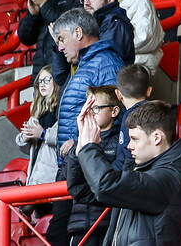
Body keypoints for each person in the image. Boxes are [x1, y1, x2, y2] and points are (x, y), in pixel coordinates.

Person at [66, 100, 181, 246]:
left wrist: (89, 147)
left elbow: (105, 186)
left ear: (157, 137)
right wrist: (79, 149)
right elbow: (82, 191)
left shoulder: (171, 178)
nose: (129, 146)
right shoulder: (141, 171)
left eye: (135, 139)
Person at [46, 8, 123, 246]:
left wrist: (81, 141)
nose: (59, 47)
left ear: (78, 33)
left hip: (90, 166)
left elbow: (113, 113)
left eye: (62, 39)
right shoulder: (86, 63)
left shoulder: (105, 62)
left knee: (61, 234)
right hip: (76, 165)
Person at [67, 85, 121, 246]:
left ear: (114, 111)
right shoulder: (80, 143)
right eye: (89, 108)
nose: (91, 113)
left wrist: (91, 148)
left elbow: (108, 185)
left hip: (107, 222)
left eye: (96, 108)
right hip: (79, 223)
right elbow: (74, 187)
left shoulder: (121, 141)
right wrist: (80, 147)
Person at [99, 0, 164, 75]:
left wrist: (107, 46)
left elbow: (144, 37)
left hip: (134, 70)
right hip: (112, 65)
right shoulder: (100, 2)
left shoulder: (140, 0)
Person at [16, 66, 61, 192]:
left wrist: (43, 134)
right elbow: (27, 149)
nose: (42, 84)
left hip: (52, 176)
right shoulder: (37, 113)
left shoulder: (61, 109)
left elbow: (66, 138)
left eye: (46, 80)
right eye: (40, 81)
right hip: (35, 176)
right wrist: (25, 137)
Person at [113, 64, 152, 171]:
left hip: (129, 176)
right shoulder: (155, 113)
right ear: (149, 91)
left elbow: (127, 157)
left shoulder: (130, 119)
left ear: (118, 94)